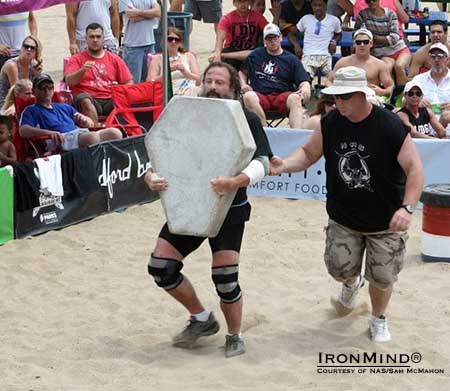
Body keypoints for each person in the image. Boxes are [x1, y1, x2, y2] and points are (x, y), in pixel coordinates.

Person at [270, 66, 424, 342]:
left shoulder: (389, 125)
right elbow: (307, 154)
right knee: (338, 268)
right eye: (334, 97)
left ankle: (378, 318)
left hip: (386, 219)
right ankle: (352, 284)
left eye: (344, 97)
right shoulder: (330, 123)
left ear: (362, 95)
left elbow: (415, 170)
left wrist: (407, 208)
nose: (337, 103)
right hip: (344, 215)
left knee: (382, 276)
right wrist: (283, 165)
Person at [144, 61, 272, 358]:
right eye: (209, 81)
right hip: (189, 204)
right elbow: (162, 150)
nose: (213, 87)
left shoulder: (247, 118)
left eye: (220, 83)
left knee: (225, 280)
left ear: (232, 88)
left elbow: (262, 162)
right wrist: (150, 176)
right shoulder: (187, 114)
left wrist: (235, 181)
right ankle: (201, 318)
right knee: (161, 268)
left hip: (230, 209)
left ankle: (234, 335)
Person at [19, 74, 122, 153]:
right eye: (42, 88)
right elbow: (23, 131)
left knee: (114, 133)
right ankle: (95, 167)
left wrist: (86, 121)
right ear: (34, 91)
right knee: (92, 137)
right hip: (58, 141)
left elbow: (89, 123)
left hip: (78, 134)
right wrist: (48, 133)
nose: (46, 91)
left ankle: (112, 167)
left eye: (49, 87)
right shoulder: (31, 110)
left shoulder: (63, 106)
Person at [239, 24, 311, 128]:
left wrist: (305, 88)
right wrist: (243, 84)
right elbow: (242, 72)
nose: (272, 41)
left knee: (296, 99)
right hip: (260, 95)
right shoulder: (255, 55)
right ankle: (264, 133)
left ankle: (296, 138)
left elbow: (303, 80)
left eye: (275, 37)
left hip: (282, 96)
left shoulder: (291, 59)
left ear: (281, 37)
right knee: (248, 96)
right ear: (264, 41)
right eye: (269, 38)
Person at [65, 23, 133, 125]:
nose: (95, 40)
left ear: (103, 39)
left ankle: (123, 130)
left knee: (123, 100)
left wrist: (119, 91)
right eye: (92, 37)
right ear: (86, 39)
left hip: (110, 98)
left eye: (98, 36)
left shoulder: (115, 59)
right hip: (88, 98)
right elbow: (69, 82)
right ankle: (97, 131)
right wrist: (82, 70)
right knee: (84, 99)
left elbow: (129, 82)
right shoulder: (76, 59)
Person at [326, 28, 394, 100]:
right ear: (354, 44)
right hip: (345, 98)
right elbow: (329, 81)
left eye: (365, 42)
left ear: (371, 44)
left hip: (369, 99)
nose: (362, 45)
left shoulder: (379, 64)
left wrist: (382, 92)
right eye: (358, 42)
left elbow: (390, 86)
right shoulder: (343, 62)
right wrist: (334, 92)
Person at [355, 0, 410, 86]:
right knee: (386, 69)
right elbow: (359, 33)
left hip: (399, 49)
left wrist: (374, 38)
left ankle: (401, 94)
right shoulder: (363, 15)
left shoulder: (391, 14)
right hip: (383, 53)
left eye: (374, 0)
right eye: (368, 1)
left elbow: (394, 38)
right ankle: (390, 94)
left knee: (399, 66)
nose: (371, 3)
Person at [210, 0, 268, 70]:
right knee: (214, 59)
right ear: (234, 3)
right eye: (239, 1)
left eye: (245, 1)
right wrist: (217, 54)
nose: (243, 4)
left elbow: (269, 31)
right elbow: (220, 39)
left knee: (260, 53)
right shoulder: (227, 18)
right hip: (232, 50)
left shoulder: (258, 17)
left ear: (249, 2)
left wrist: (276, 16)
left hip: (251, 51)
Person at [147, 27, 201, 96]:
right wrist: (167, 73)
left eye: (177, 40)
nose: (173, 42)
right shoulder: (157, 59)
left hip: (188, 90)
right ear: (164, 41)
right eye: (170, 39)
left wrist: (185, 72)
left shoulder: (189, 56)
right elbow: (150, 82)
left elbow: (198, 81)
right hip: (167, 92)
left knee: (193, 89)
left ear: (180, 43)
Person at [296, 0, 342, 79]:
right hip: (308, 56)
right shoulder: (306, 19)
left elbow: (339, 34)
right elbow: (291, 33)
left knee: (333, 79)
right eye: (315, 5)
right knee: (305, 79)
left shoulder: (334, 20)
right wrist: (296, 45)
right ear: (311, 6)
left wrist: (333, 42)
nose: (317, 8)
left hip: (326, 56)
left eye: (320, 5)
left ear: (325, 5)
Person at [119, 0, 161, 83]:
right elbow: (133, 17)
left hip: (150, 43)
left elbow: (158, 12)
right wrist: (150, 14)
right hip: (133, 46)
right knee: (134, 83)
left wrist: (138, 12)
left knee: (149, 82)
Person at [411, 43, 450, 129]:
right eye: (433, 56)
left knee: (446, 116)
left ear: (447, 60)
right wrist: (416, 101)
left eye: (440, 56)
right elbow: (404, 100)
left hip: (448, 126)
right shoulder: (419, 79)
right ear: (429, 60)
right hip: (424, 125)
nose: (436, 59)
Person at [0, 35, 42, 108]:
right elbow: (17, 92)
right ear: (21, 48)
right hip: (7, 104)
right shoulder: (12, 65)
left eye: (32, 48)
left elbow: (37, 90)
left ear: (36, 52)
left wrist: (37, 75)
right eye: (26, 46)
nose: (29, 49)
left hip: (25, 100)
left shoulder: (34, 65)